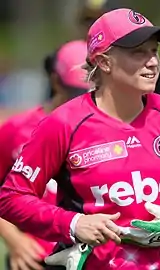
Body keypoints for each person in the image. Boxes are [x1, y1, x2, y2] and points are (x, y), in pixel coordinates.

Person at [0, 8, 160, 270]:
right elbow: (11, 198)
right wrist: (73, 224)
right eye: (138, 52)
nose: (153, 61)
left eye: (154, 51)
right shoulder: (63, 124)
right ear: (104, 62)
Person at [0, 40, 89, 270]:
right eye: (76, 92)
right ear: (55, 81)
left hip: (88, 256)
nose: (84, 100)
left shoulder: (102, 131)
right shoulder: (16, 130)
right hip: (33, 259)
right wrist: (14, 240)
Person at [78, 0, 160, 100]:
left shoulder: (146, 64)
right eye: (89, 21)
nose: (153, 62)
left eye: (154, 51)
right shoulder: (70, 55)